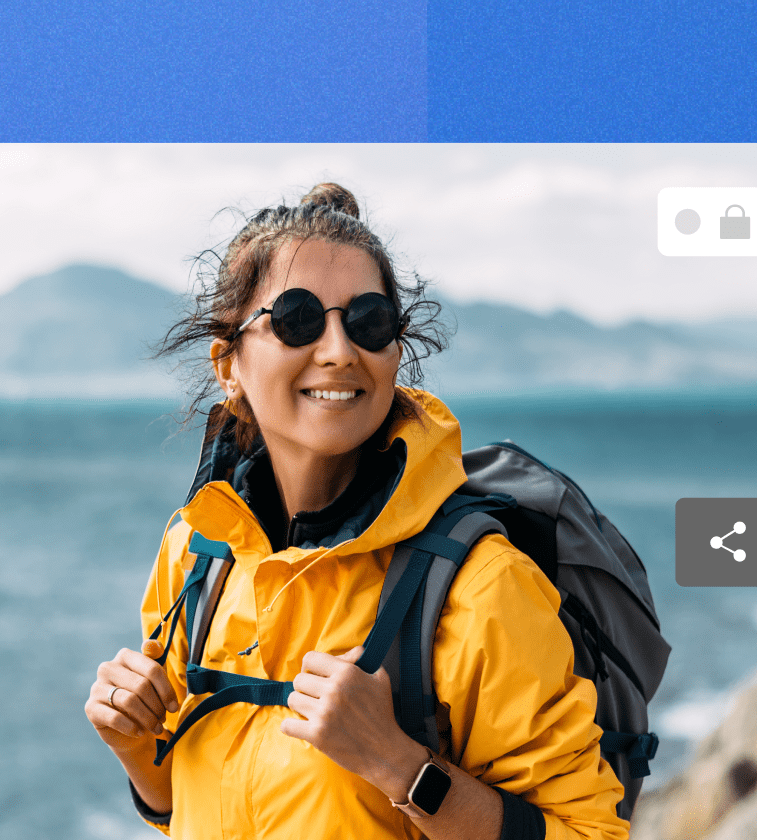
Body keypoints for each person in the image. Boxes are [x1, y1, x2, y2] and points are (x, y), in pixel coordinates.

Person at [83, 183, 629, 840]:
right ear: (228, 363)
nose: (340, 349)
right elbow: (197, 807)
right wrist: (137, 752)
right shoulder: (196, 554)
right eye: (297, 318)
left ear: (395, 352)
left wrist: (399, 766)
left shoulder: (479, 588)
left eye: (368, 321)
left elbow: (587, 832)